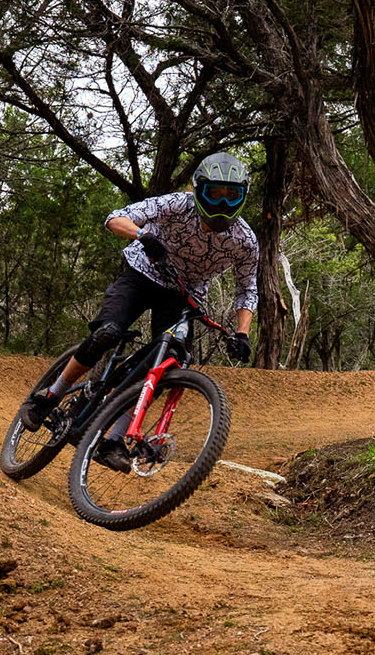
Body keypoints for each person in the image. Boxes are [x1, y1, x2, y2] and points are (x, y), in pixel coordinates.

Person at [21, 152, 259, 471]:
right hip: (141, 274)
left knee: (164, 365)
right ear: (199, 189)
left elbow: (247, 290)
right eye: (214, 192)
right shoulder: (177, 204)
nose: (223, 203)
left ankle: (114, 439)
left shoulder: (244, 241)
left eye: (232, 195)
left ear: (243, 196)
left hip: (182, 297)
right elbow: (115, 218)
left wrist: (243, 333)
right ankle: (49, 396)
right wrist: (143, 235)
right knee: (107, 332)